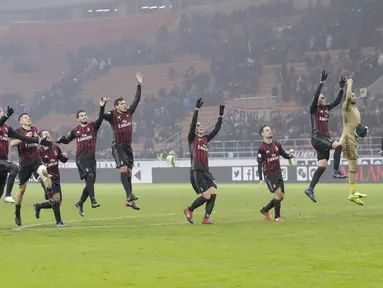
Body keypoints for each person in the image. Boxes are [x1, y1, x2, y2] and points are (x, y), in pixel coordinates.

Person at [57, 97, 106, 217]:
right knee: (89, 177)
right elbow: (68, 140)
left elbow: (100, 118)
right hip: (80, 158)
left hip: (91, 159)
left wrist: (102, 106)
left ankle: (80, 203)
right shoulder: (75, 130)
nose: (84, 116)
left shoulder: (93, 127)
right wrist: (62, 140)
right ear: (78, 119)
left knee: (91, 181)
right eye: (82, 115)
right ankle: (93, 200)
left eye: (85, 115)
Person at [304, 70, 347, 203]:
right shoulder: (314, 109)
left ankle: (310, 189)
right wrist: (321, 82)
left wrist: (341, 88)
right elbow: (316, 95)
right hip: (318, 137)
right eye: (322, 98)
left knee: (322, 166)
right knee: (339, 145)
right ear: (317, 100)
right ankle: (335, 171)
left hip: (324, 139)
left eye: (324, 97)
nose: (324, 99)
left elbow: (337, 102)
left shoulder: (326, 108)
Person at [103, 72, 142, 210]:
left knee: (129, 173)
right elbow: (101, 115)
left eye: (125, 103)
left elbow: (136, 100)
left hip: (127, 147)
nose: (125, 105)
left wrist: (139, 84)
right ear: (116, 106)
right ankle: (129, 195)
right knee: (124, 168)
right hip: (118, 146)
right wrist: (102, 105)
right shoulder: (112, 115)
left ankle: (129, 200)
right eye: (122, 104)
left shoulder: (129, 113)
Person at [183, 98, 224, 224]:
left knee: (213, 193)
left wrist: (220, 116)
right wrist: (196, 110)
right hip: (197, 170)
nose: (200, 127)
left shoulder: (205, 139)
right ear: (194, 129)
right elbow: (193, 123)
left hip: (206, 171)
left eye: (201, 126)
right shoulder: (192, 138)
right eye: (198, 126)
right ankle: (189, 210)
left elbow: (216, 130)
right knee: (206, 196)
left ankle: (206, 218)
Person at [0, 106, 51, 205]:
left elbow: (25, 138)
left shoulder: (7, 128)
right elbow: (13, 142)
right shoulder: (12, 127)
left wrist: (40, 141)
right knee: (16, 172)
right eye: (0, 111)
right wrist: (7, 114)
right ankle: (11, 200)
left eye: (2, 111)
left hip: (9, 161)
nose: (1, 112)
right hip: (22, 162)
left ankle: (48, 194)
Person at [9, 113, 53, 226]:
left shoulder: (34, 129)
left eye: (29, 117)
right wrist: (24, 138)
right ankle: (17, 212)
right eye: (25, 117)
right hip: (25, 164)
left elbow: (37, 140)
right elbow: (12, 143)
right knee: (22, 190)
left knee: (45, 173)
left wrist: (43, 140)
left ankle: (49, 195)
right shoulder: (17, 131)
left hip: (36, 160)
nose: (28, 118)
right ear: (20, 121)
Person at [258, 125, 294, 222]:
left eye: (270, 129)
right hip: (269, 174)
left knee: (281, 196)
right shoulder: (261, 148)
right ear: (262, 134)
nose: (269, 131)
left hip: (278, 173)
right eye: (267, 130)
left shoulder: (277, 144)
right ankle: (277, 217)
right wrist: (260, 178)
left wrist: (289, 156)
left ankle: (265, 210)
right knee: (278, 194)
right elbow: (260, 164)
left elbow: (282, 153)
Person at [340, 79, 367, 205]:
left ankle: (353, 192)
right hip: (348, 138)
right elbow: (348, 96)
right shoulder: (346, 107)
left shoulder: (356, 110)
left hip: (353, 138)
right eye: (352, 95)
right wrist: (349, 84)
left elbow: (354, 126)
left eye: (355, 95)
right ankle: (352, 193)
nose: (353, 96)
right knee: (352, 165)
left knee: (354, 166)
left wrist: (361, 132)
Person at [33, 130, 68, 227]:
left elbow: (62, 159)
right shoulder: (38, 152)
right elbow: (34, 166)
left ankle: (38, 206)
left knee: (57, 201)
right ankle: (59, 222)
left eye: (48, 133)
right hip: (46, 179)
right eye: (45, 134)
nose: (47, 135)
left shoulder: (56, 147)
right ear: (41, 138)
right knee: (55, 200)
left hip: (56, 177)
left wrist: (65, 157)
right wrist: (37, 177)